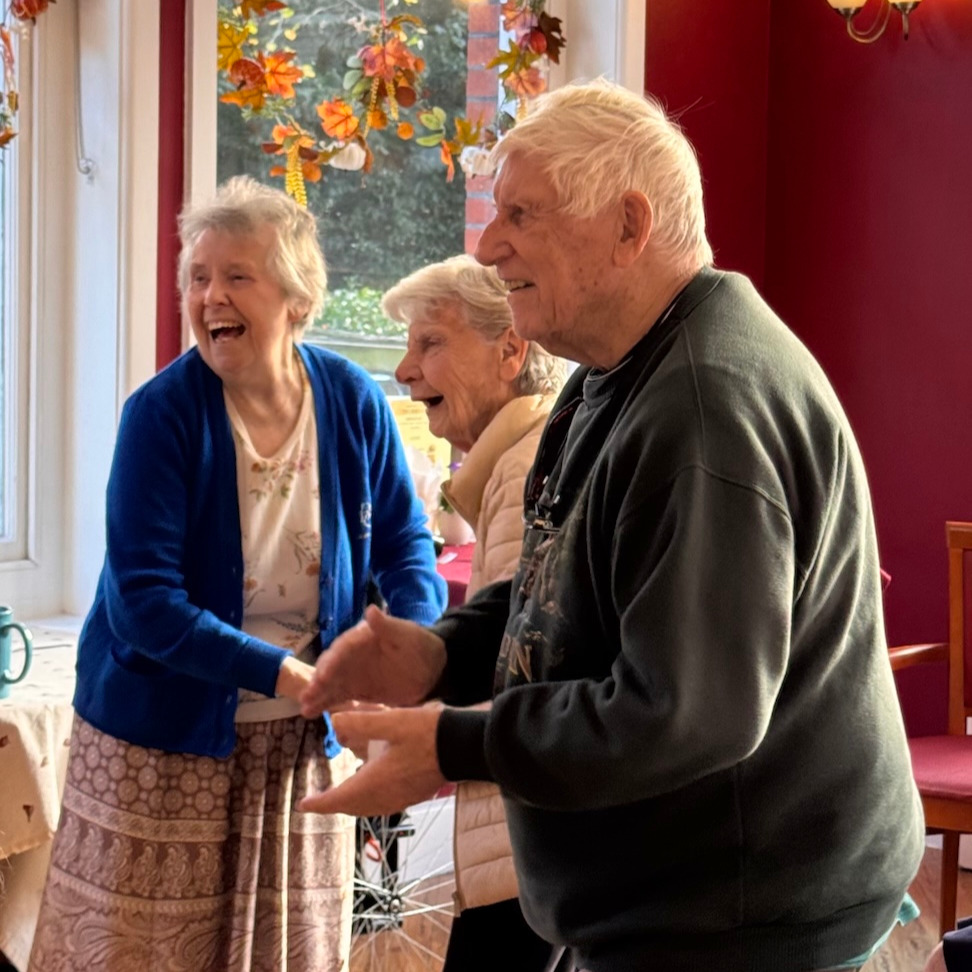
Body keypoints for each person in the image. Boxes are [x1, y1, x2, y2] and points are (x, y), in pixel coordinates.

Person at [298, 79, 924, 972]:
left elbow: (685, 715)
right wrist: (442, 654)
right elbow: (574, 585)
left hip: (740, 928)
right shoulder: (616, 369)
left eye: (522, 214)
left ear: (630, 226)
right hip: (680, 911)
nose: (488, 244)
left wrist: (452, 744)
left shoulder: (704, 410)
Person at [28, 176, 446, 972]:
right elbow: (144, 604)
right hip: (161, 745)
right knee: (145, 955)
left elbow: (404, 546)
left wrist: (411, 646)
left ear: (297, 298)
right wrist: (287, 674)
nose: (210, 296)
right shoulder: (161, 414)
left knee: (284, 955)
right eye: (197, 277)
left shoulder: (350, 400)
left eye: (237, 276)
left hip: (297, 743)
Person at [382, 253, 565, 970]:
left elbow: (525, 668)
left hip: (523, 828)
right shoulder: (521, 456)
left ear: (510, 351)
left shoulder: (524, 470)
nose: (406, 370)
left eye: (430, 343)